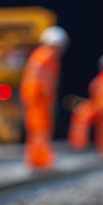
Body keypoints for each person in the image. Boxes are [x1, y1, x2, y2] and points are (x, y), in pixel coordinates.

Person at [20, 25, 69, 170]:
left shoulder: (42, 54)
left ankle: (37, 159)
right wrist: (42, 96)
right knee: (40, 129)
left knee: (37, 130)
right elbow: (38, 80)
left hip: (37, 98)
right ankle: (40, 160)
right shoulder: (46, 55)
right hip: (38, 99)